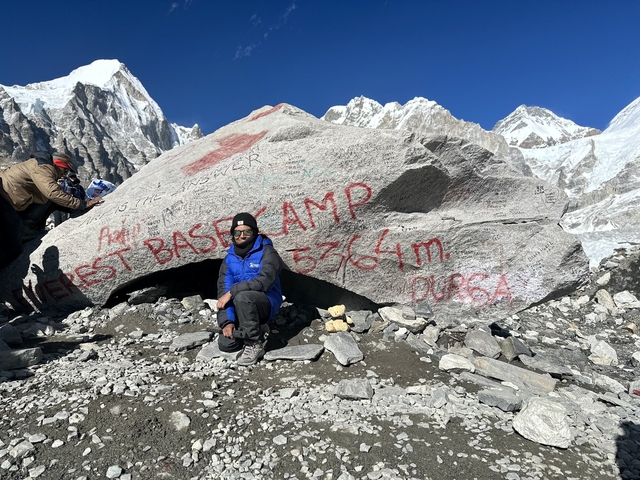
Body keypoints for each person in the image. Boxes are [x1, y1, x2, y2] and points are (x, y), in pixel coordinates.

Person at [0, 151, 102, 269]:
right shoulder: (44, 167)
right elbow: (52, 193)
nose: (64, 175)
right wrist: (82, 204)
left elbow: (49, 198)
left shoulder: (39, 165)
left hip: (10, 201)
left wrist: (74, 207)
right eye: (64, 170)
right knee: (12, 248)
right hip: (5, 201)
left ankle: (30, 230)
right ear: (57, 165)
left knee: (50, 202)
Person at [216, 212, 284, 366]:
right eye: (237, 232)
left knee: (243, 297)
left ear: (255, 232)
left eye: (247, 231)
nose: (242, 236)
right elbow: (223, 289)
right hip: (241, 304)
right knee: (227, 344)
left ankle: (255, 343)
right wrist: (227, 321)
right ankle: (256, 327)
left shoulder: (268, 252)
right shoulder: (229, 258)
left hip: (266, 301)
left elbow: (264, 281)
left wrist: (234, 291)